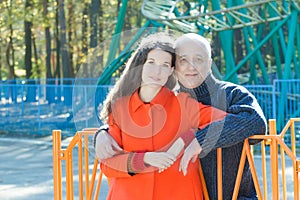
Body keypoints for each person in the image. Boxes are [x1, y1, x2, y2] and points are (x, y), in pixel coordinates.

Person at [95, 33, 267, 200]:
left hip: (230, 195)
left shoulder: (226, 95)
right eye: (183, 60)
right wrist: (102, 133)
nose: (191, 66)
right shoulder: (137, 105)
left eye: (198, 59)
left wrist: (197, 139)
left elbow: (254, 122)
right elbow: (110, 160)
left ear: (209, 63)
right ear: (175, 67)